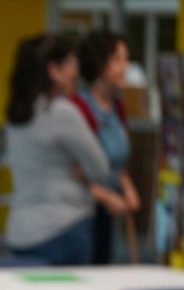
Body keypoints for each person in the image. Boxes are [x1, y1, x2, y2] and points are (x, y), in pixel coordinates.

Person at [5, 34, 114, 265]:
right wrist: (81, 170)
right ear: (53, 70)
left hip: (21, 233)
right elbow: (101, 169)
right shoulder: (62, 112)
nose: (76, 73)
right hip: (65, 231)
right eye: (72, 64)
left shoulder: (16, 115)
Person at [73, 30, 140, 264]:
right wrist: (108, 198)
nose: (126, 67)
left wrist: (127, 188)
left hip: (108, 215)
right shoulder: (79, 108)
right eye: (118, 59)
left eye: (126, 59)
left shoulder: (117, 108)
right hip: (82, 213)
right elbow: (72, 171)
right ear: (99, 64)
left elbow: (117, 161)